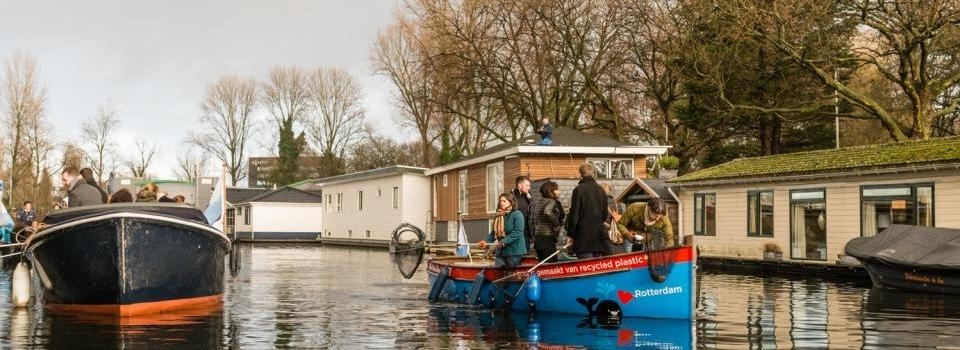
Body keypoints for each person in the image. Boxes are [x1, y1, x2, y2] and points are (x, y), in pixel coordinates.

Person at [565, 163, 610, 258]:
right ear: (593, 173)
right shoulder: (601, 190)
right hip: (598, 238)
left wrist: (570, 234)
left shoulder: (578, 190)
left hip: (583, 238)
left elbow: (574, 215)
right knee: (598, 269)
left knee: (586, 268)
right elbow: (605, 215)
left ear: (580, 175)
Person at [477, 192, 528, 267]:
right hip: (501, 251)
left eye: (504, 201)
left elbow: (518, 232)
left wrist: (504, 241)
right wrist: (485, 241)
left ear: (511, 202)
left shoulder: (517, 214)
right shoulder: (498, 215)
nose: (501, 203)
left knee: (509, 273)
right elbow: (493, 234)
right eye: (500, 201)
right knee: (498, 270)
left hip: (514, 251)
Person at [533, 181, 564, 262]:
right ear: (551, 190)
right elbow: (547, 211)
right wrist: (557, 225)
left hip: (538, 237)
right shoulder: (551, 201)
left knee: (542, 264)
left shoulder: (539, 202)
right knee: (551, 265)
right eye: (557, 189)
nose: (559, 191)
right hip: (547, 238)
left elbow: (534, 218)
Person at [601, 183, 629, 254]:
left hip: (606, 232)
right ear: (610, 191)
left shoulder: (600, 203)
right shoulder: (618, 203)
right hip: (618, 230)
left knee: (609, 254)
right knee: (620, 251)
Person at [511, 175, 534, 250]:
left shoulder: (528, 196)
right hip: (515, 230)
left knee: (526, 252)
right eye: (527, 185)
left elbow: (532, 211)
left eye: (529, 185)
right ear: (519, 185)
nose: (529, 187)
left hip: (526, 231)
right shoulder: (511, 196)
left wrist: (530, 198)